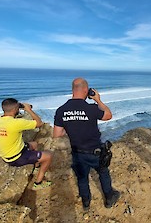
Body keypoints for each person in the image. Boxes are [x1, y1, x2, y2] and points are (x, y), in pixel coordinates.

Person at [53, 78, 120, 210]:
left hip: (77, 153)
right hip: (95, 152)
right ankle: (109, 197)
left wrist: (72, 127)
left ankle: (86, 202)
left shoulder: (61, 110)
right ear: (86, 90)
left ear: (73, 90)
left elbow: (57, 134)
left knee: (82, 178)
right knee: (103, 173)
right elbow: (108, 115)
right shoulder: (91, 108)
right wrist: (98, 100)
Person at [0, 98, 53, 190]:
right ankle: (38, 183)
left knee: (34, 144)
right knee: (49, 156)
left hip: (5, 155)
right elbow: (39, 123)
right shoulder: (16, 123)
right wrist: (28, 109)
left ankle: (36, 166)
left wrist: (18, 107)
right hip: (16, 158)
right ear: (15, 109)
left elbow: (10, 117)